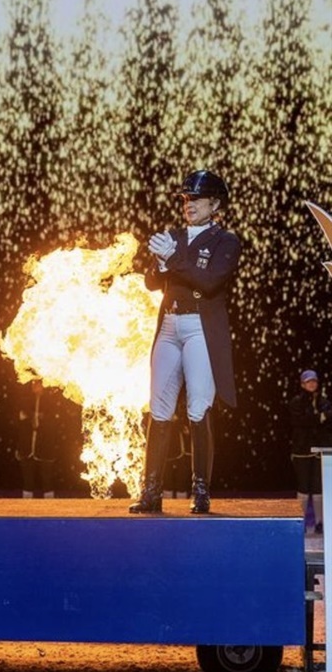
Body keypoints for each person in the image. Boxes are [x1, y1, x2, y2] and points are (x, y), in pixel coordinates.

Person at [131, 170, 240, 515]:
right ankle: (151, 491)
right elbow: (151, 283)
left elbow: (209, 282)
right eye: (185, 199)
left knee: (198, 407)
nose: (188, 204)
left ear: (215, 204)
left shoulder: (226, 242)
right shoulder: (174, 236)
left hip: (199, 329)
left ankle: (201, 491)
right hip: (169, 325)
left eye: (195, 198)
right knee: (159, 408)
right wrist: (160, 265)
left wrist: (174, 259)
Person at [288, 369, 332, 533]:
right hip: (302, 449)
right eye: (308, 381)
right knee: (303, 487)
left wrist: (320, 418)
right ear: (302, 384)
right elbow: (299, 421)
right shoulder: (296, 402)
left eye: (314, 381)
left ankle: (320, 523)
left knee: (318, 486)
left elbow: (328, 420)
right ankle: (301, 522)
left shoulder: (324, 401)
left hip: (320, 448)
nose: (311, 384)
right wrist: (319, 417)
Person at [14, 379, 60, 498]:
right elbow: (21, 427)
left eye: (37, 384)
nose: (34, 386)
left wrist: (40, 418)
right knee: (27, 480)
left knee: (47, 479)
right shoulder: (26, 401)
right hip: (27, 448)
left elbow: (52, 423)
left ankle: (49, 506)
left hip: (45, 447)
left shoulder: (50, 402)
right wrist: (19, 446)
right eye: (33, 384)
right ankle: (27, 505)